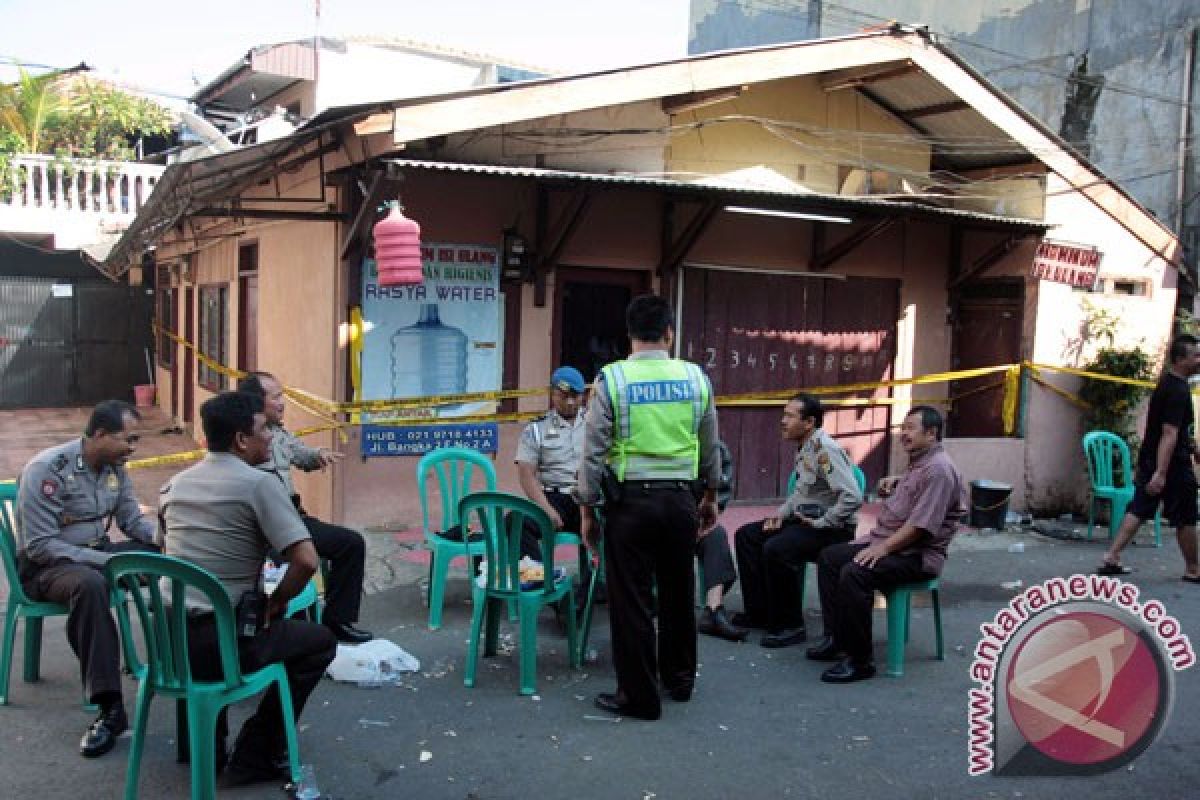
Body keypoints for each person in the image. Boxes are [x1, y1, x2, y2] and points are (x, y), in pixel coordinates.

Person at [160, 391, 337, 786]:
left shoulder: (173, 486)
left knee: (219, 614)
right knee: (319, 640)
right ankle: (256, 753)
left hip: (168, 643)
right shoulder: (258, 484)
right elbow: (306, 560)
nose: (271, 438)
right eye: (264, 430)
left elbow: (167, 556)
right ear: (241, 439)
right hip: (224, 644)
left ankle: (202, 747)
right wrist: (277, 602)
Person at [576, 294, 721, 720]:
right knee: (678, 593)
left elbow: (592, 451)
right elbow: (710, 443)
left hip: (631, 507)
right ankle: (680, 680)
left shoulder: (612, 379)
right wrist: (710, 495)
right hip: (680, 501)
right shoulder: (696, 378)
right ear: (669, 332)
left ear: (629, 335)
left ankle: (639, 696)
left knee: (632, 601)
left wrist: (586, 509)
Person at [15, 400, 159, 758]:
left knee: (165, 563)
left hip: (97, 553)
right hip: (47, 568)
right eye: (128, 439)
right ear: (99, 435)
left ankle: (194, 666)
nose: (132, 448)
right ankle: (109, 709)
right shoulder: (48, 470)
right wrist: (106, 563)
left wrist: (167, 539)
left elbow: (131, 520)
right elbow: (40, 546)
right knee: (91, 586)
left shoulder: (115, 467)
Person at [808, 405, 965, 683]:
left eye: (910, 429)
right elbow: (914, 491)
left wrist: (882, 549)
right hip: (891, 542)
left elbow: (919, 527)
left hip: (917, 555)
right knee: (831, 557)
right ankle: (837, 638)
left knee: (855, 573)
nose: (904, 434)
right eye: (903, 428)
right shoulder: (921, 462)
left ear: (931, 434)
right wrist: (896, 483)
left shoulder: (939, 470)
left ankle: (859, 661)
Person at [237, 371, 372, 644]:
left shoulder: (279, 433)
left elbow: (300, 453)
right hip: (263, 528)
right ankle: (286, 631)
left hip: (293, 517)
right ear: (256, 402)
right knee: (290, 565)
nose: (282, 403)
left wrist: (319, 455)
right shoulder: (244, 439)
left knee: (351, 544)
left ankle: (337, 620)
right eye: (276, 397)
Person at [733, 394, 862, 648]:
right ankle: (761, 614)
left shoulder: (825, 449)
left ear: (809, 422)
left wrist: (823, 522)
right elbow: (800, 495)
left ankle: (790, 625)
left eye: (789, 416)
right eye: (784, 415)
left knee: (778, 548)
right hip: (806, 521)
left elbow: (853, 497)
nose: (783, 421)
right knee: (746, 535)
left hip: (833, 528)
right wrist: (779, 516)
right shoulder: (806, 447)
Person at [1099, 334, 1200, 580]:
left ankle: (1111, 556)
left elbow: (1170, 429)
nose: (1199, 360)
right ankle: (1194, 569)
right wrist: (1161, 473)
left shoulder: (1167, 383)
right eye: (1195, 355)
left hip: (1154, 458)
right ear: (1179, 359)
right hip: (1171, 464)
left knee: (1140, 508)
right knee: (1186, 516)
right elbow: (1169, 432)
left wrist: (1192, 448)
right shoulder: (1176, 391)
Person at [513, 364, 605, 602]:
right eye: (564, 397)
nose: (571, 403)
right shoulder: (536, 429)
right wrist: (546, 508)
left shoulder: (597, 424)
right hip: (556, 499)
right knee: (516, 522)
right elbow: (526, 474)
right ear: (552, 394)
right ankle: (546, 585)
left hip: (591, 496)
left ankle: (589, 593)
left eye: (576, 396)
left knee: (624, 523)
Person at [694, 441, 750, 642]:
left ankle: (714, 610)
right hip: (652, 523)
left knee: (716, 535)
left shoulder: (714, 449)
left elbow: (719, 498)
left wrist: (702, 521)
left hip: (694, 523)